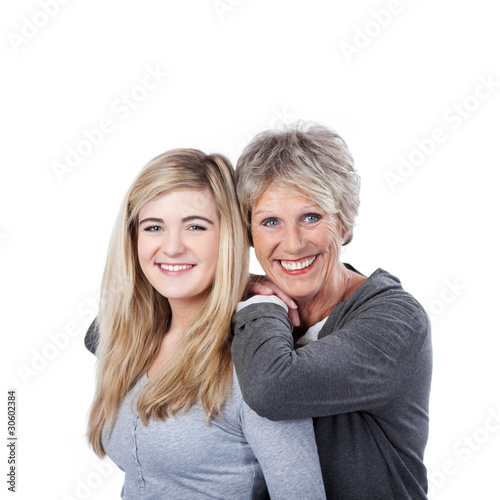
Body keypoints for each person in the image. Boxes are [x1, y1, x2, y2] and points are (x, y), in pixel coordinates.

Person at [85, 148, 326, 499]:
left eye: (195, 227)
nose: (172, 248)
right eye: (154, 227)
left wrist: (240, 283)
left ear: (229, 237)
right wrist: (245, 281)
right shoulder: (130, 342)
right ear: (133, 239)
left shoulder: (254, 364)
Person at [231, 123, 433, 500]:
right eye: (270, 221)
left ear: (343, 220)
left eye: (311, 217)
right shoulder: (247, 310)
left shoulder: (397, 319)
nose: (293, 244)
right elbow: (115, 332)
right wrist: (232, 285)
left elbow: (272, 388)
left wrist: (259, 301)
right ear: (248, 233)